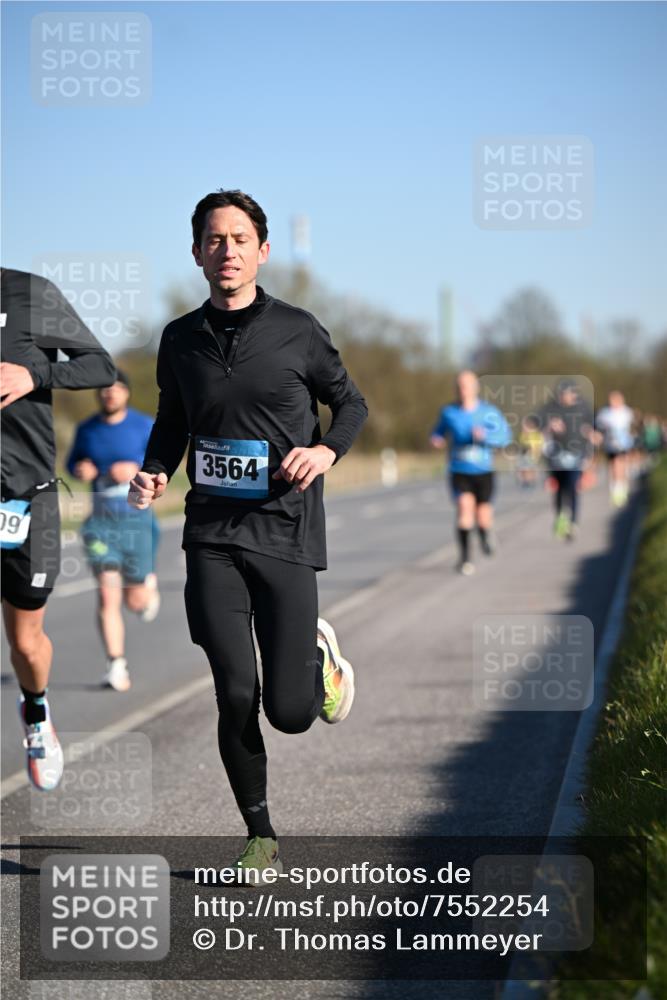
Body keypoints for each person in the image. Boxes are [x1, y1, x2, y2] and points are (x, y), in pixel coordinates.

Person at [128, 189, 367, 878]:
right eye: (212, 238)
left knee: (290, 713)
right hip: (210, 533)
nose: (225, 249)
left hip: (285, 529)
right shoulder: (178, 339)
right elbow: (173, 420)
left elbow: (349, 403)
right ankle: (259, 834)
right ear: (197, 251)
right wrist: (153, 473)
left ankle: (315, 661)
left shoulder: (298, 329)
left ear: (262, 250)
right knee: (235, 690)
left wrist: (325, 452)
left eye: (239, 238)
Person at [1, 268, 115, 790]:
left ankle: (37, 711)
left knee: (26, 644)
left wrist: (35, 376)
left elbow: (99, 364)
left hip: (27, 497)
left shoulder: (29, 293)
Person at [67, 370, 161, 691]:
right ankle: (116, 666)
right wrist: (81, 468)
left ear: (126, 393)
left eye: (116, 389)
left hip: (136, 519)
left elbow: (162, 460)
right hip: (100, 522)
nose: (109, 394)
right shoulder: (87, 429)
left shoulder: (144, 424)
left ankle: (146, 585)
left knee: (135, 602)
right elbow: (72, 463)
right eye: (104, 390)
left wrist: (136, 467)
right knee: (107, 595)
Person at [430, 370, 511, 575]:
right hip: (459, 470)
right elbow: (438, 432)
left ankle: (485, 534)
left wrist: (485, 437)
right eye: (459, 386)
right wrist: (436, 439)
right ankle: (465, 558)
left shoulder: (488, 412)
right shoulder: (449, 412)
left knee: (483, 517)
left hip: (483, 471)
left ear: (475, 388)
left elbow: (504, 437)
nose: (462, 390)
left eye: (466, 386)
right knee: (465, 510)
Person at [538, 379, 595, 540]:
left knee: (573, 487)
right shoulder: (551, 408)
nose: (565, 397)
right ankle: (560, 517)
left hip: (576, 455)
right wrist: (549, 426)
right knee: (559, 489)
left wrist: (590, 437)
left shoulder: (583, 407)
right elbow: (537, 424)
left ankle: (573, 522)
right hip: (556, 456)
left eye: (568, 394)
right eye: (562, 394)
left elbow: (592, 428)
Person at [595, 391, 635, 508]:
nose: (613, 402)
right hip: (609, 444)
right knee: (612, 466)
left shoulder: (627, 412)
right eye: (611, 400)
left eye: (616, 400)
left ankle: (621, 490)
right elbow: (598, 426)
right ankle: (615, 490)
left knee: (620, 465)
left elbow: (633, 426)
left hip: (623, 445)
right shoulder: (604, 413)